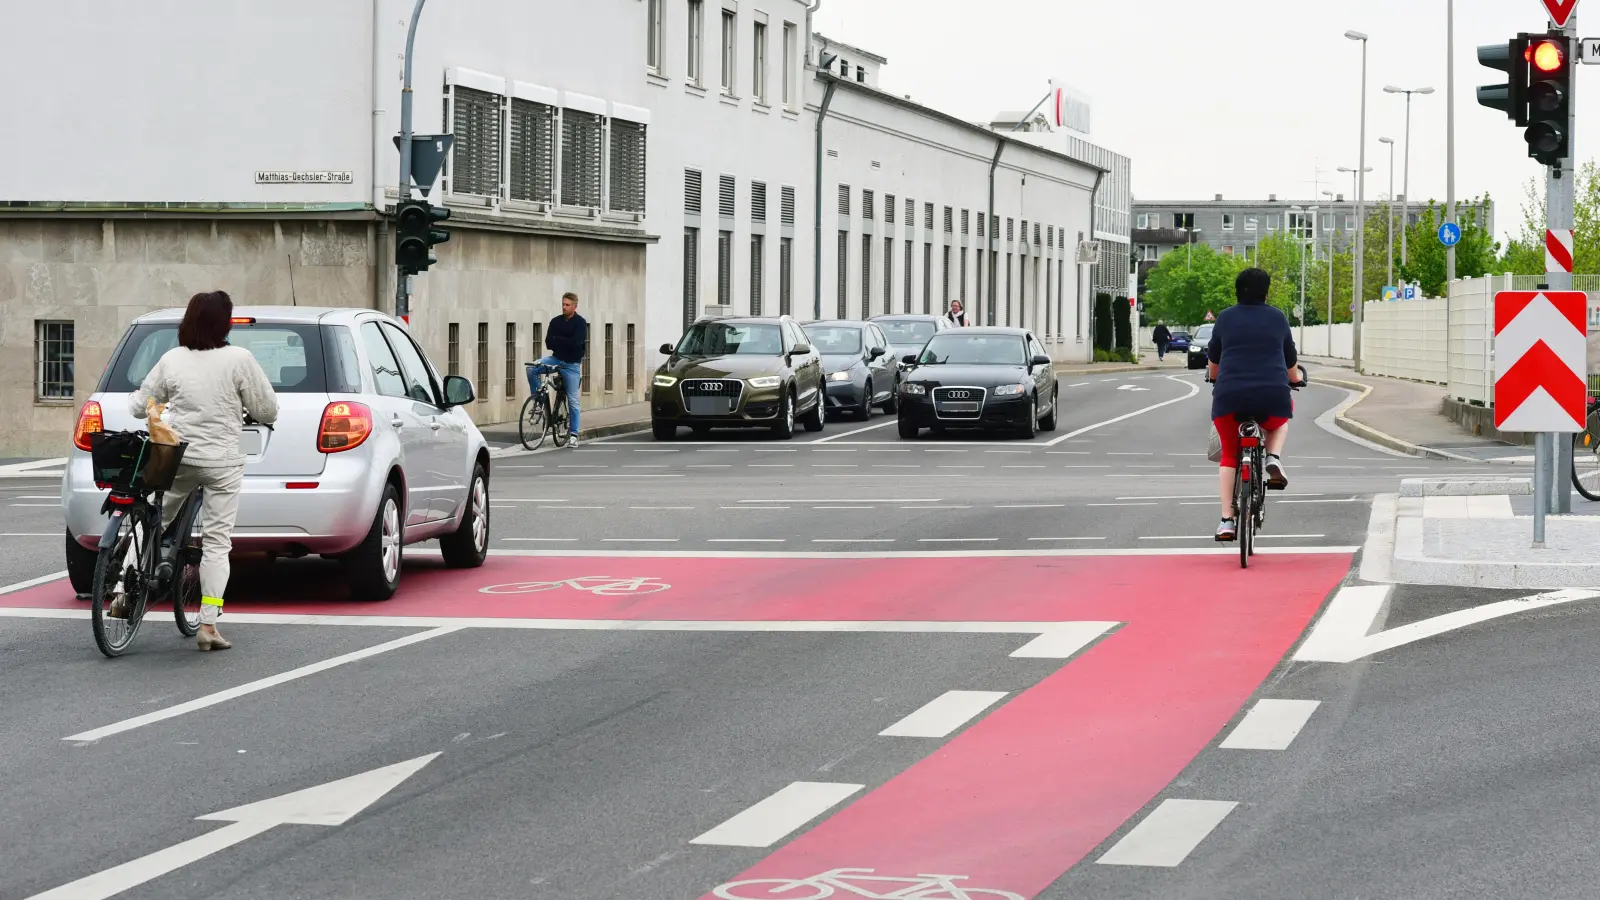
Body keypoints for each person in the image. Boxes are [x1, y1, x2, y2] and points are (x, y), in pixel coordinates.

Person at [128, 291, 279, 650]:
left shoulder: (171, 359)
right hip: (222, 462)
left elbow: (140, 405)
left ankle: (122, 591)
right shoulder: (239, 359)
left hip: (178, 458)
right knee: (216, 542)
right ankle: (208, 625)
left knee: (152, 520)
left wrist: (151, 406)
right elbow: (268, 410)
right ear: (225, 324)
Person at [1206, 268, 1302, 542]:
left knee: (1229, 456)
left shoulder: (1224, 318)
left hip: (1230, 398)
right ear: (1266, 292)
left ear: (1237, 291)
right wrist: (1296, 379)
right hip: (1271, 395)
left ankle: (1226, 521)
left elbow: (1214, 363)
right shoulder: (1277, 318)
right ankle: (1273, 458)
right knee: (1280, 420)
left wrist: (1215, 376)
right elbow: (1290, 365)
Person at [528, 291, 588, 449]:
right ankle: (538, 403)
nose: (564, 307)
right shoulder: (556, 321)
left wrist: (558, 340)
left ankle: (574, 435)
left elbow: (576, 343)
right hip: (555, 359)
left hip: (571, 364)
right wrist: (563, 342)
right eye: (563, 304)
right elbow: (548, 342)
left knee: (573, 400)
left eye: (567, 305)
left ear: (574, 307)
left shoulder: (580, 323)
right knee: (532, 369)